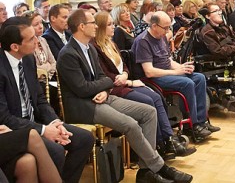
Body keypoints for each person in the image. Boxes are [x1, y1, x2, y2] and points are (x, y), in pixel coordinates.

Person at [56, 9, 192, 183]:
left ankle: (145, 171)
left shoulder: (89, 48)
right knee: (130, 124)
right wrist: (104, 86)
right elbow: (82, 89)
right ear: (82, 27)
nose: (96, 26)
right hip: (84, 106)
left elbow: (102, 78)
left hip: (103, 97)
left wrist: (104, 90)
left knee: (149, 112)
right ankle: (159, 166)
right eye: (93, 23)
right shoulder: (68, 53)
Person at [0, 18, 95, 183]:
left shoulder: (28, 59)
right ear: (15, 47)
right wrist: (44, 130)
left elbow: (40, 99)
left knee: (84, 139)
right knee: (56, 150)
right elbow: (5, 117)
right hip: (14, 129)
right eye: (31, 39)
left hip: (36, 122)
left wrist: (55, 122)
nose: (38, 41)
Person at [93, 12, 195, 160]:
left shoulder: (111, 43)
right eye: (109, 24)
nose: (113, 26)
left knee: (156, 97)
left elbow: (125, 66)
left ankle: (168, 140)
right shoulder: (95, 47)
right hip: (115, 88)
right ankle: (159, 143)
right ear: (101, 27)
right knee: (148, 101)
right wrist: (125, 80)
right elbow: (104, 73)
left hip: (125, 83)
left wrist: (126, 75)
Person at [131, 11, 219, 141]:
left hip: (166, 72)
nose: (167, 31)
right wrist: (176, 72)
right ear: (154, 26)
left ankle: (201, 121)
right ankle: (192, 125)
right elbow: (149, 71)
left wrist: (182, 67)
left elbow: (168, 61)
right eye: (165, 28)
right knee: (187, 83)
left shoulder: (161, 37)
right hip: (154, 78)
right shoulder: (143, 41)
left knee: (199, 78)